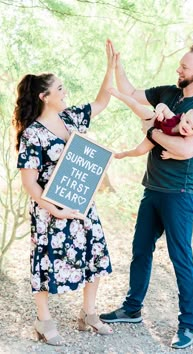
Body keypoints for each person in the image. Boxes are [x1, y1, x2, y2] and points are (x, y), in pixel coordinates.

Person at [100, 43, 193, 349]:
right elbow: (132, 92)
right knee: (140, 248)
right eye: (179, 65)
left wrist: (152, 133)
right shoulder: (169, 93)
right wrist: (116, 64)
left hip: (180, 193)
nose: (178, 70)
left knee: (181, 258)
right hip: (152, 187)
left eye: (184, 67)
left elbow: (186, 149)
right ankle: (132, 308)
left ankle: (188, 325)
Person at [12, 40, 116, 346]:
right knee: (45, 265)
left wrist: (110, 69)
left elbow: (102, 102)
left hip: (82, 204)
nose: (64, 91)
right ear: (44, 96)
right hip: (50, 212)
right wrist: (53, 209)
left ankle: (89, 314)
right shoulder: (32, 133)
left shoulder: (70, 117)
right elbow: (29, 182)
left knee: (94, 255)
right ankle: (44, 322)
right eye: (59, 88)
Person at [108, 87, 193, 160]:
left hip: (156, 136)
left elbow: (185, 155)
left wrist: (171, 155)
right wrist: (159, 112)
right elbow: (162, 105)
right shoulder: (172, 118)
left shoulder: (182, 140)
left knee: (140, 150)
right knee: (137, 106)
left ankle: (125, 154)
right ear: (182, 116)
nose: (187, 127)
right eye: (187, 122)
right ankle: (118, 94)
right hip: (155, 119)